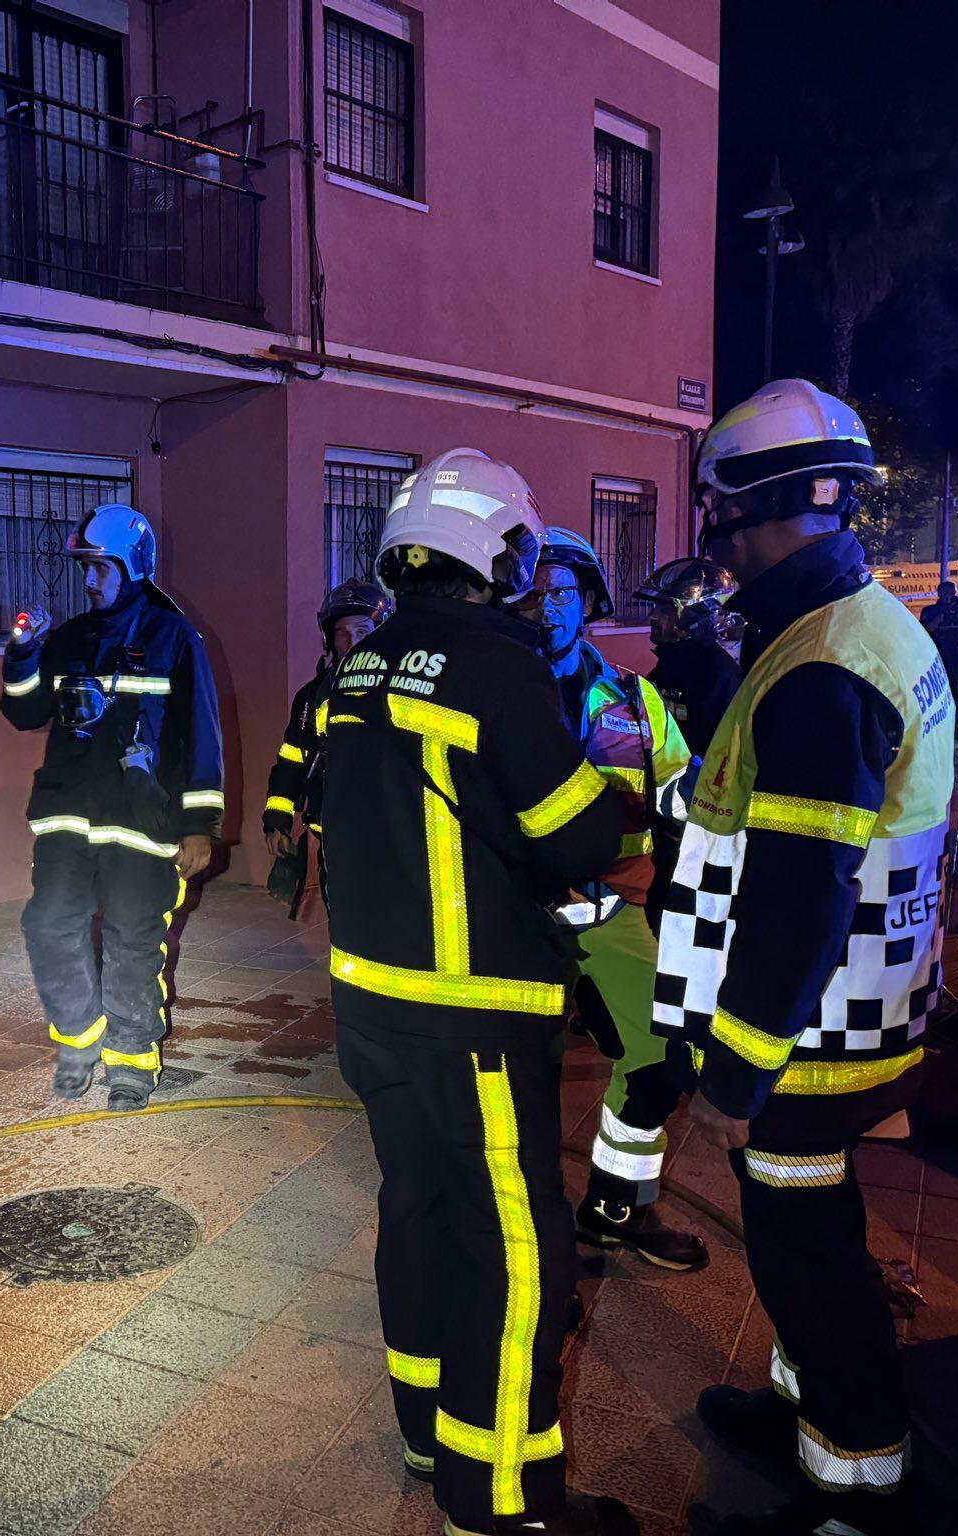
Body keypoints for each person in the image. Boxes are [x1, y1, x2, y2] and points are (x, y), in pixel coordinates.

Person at [319, 449, 634, 1536]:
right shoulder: (493, 666)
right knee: (515, 1251)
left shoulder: (358, 667)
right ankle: (497, 1500)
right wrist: (621, 780)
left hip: (370, 1009)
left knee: (411, 1213)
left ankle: (425, 1432)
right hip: (473, 1020)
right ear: (497, 555)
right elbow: (573, 834)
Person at [659, 381, 953, 1536]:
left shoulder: (816, 667)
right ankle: (808, 1418)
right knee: (806, 1249)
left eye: (720, 524)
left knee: (808, 1264)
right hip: (853, 1020)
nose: (716, 552)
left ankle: (855, 1485)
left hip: (802, 1048)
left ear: (760, 511)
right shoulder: (864, 627)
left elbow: (795, 897)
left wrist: (732, 1077)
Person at [520, 530, 705, 1272]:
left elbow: (680, 794)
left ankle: (616, 1207)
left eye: (562, 593)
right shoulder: (499, 691)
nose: (548, 608)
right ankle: (526, 1235)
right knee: (520, 1079)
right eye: (533, 593)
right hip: (518, 920)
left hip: (614, 914)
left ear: (589, 601)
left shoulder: (632, 696)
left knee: (664, 1060)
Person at [1, 504, 224, 1111]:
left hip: (142, 822)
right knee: (48, 926)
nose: (91, 580)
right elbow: (23, 711)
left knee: (132, 940)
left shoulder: (173, 637)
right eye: (86, 569)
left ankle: (131, 1061)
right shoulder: (69, 638)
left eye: (102, 568)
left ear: (132, 567)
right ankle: (80, 1041)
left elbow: (201, 735)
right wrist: (23, 654)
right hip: (67, 820)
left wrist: (200, 827)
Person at [261, 578, 389, 877]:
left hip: (389, 837)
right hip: (332, 836)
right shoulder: (313, 696)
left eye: (362, 631)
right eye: (341, 633)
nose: (352, 643)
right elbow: (291, 760)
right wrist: (277, 818)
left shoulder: (400, 690)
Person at [635, 557, 743, 758]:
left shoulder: (718, 674)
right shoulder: (669, 664)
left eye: (665, 609)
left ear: (695, 617)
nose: (653, 616)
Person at [916, 579, 958, 739]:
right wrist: (942, 614)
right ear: (939, 593)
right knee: (936, 690)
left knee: (955, 688)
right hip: (936, 654)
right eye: (946, 593)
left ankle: (955, 726)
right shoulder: (930, 610)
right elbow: (928, 628)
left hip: (954, 653)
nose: (950, 596)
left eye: (952, 593)